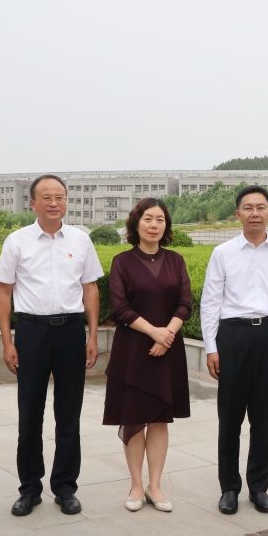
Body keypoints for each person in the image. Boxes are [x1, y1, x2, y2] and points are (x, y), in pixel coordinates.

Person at [0, 175, 101, 517]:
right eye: (47, 197)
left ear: (66, 201)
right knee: (30, 413)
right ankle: (29, 488)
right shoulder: (17, 241)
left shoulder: (81, 240)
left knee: (68, 413)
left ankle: (66, 487)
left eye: (60, 197)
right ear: (33, 203)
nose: (54, 203)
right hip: (32, 331)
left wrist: (92, 335)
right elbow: (3, 292)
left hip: (70, 331)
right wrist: (7, 340)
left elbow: (90, 289)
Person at [201, 185, 268, 515]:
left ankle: (259, 486)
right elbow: (210, 303)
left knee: (262, 418)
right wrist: (211, 348)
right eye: (248, 207)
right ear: (238, 214)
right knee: (229, 418)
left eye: (261, 207)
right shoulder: (223, 253)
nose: (255, 213)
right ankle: (229, 487)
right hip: (233, 336)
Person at [103, 198, 192, 512]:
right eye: (148, 219)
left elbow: (185, 304)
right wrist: (155, 332)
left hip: (168, 349)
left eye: (160, 220)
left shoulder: (176, 260)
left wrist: (167, 334)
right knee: (134, 418)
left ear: (166, 226)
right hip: (133, 350)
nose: (154, 225)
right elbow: (119, 308)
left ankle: (155, 486)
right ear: (136, 223)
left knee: (159, 419)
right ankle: (136, 485)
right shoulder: (122, 262)